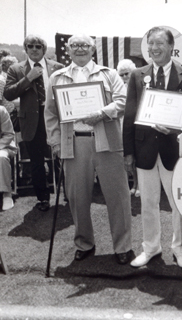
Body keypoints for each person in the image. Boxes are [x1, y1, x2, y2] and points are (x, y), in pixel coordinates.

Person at [44, 34, 133, 264]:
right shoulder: (57, 77)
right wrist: (55, 141)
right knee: (77, 197)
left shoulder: (108, 74)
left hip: (107, 140)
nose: (80, 49)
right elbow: (51, 114)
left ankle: (122, 246)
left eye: (85, 45)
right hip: (74, 142)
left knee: (118, 196)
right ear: (68, 50)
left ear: (93, 50)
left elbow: (123, 101)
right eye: (75, 46)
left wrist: (102, 113)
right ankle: (84, 243)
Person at [123, 26, 182, 269]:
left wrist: (176, 130)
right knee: (148, 203)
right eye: (150, 44)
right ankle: (151, 247)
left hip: (173, 150)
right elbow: (130, 114)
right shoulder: (137, 75)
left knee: (179, 203)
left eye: (159, 44)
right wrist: (129, 152)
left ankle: (181, 248)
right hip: (144, 150)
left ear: (171, 47)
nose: (154, 48)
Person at [4, 35, 64, 212]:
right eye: (30, 46)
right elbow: (8, 94)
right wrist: (28, 78)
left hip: (54, 118)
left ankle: (68, 194)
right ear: (25, 48)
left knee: (62, 158)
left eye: (38, 46)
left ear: (44, 49)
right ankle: (43, 198)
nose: (34, 49)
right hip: (31, 121)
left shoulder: (58, 67)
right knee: (37, 162)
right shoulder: (16, 69)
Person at [117, 59, 139, 197]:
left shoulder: (139, 85)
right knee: (126, 156)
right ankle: (131, 184)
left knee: (136, 156)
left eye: (127, 73)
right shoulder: (118, 88)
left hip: (135, 124)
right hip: (121, 124)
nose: (125, 77)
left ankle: (138, 184)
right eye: (122, 74)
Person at [0, 106, 16, 211]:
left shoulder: (1, 110)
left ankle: (7, 194)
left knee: (0, 157)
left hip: (3, 145)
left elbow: (9, 134)